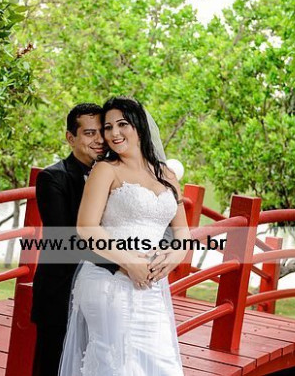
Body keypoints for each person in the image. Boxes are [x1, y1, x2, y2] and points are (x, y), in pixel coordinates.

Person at [59, 97, 190, 376]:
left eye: (122, 124)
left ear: (139, 126)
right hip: (109, 282)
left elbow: (182, 232)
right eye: (108, 127)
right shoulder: (106, 170)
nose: (114, 133)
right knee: (116, 365)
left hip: (151, 285)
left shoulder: (166, 175)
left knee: (163, 365)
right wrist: (129, 262)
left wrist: (175, 256)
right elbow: (86, 227)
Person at [31, 103, 120, 376]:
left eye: (102, 132)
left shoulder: (117, 174)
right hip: (62, 291)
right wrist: (124, 262)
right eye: (89, 133)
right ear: (71, 138)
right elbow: (66, 241)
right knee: (52, 367)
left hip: (105, 293)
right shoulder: (52, 178)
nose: (99, 140)